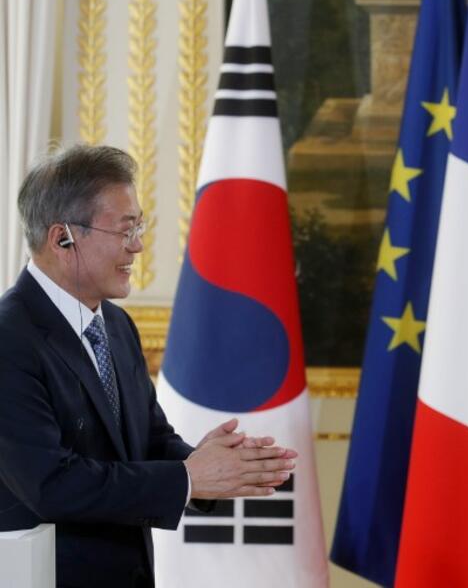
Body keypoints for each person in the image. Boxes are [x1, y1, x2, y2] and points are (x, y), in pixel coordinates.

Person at [0, 144, 297, 587]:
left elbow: (149, 441)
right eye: (125, 230)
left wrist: (207, 464)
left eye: (138, 226)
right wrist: (187, 478)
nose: (137, 246)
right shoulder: (10, 337)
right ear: (63, 238)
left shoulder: (117, 326)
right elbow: (51, 486)